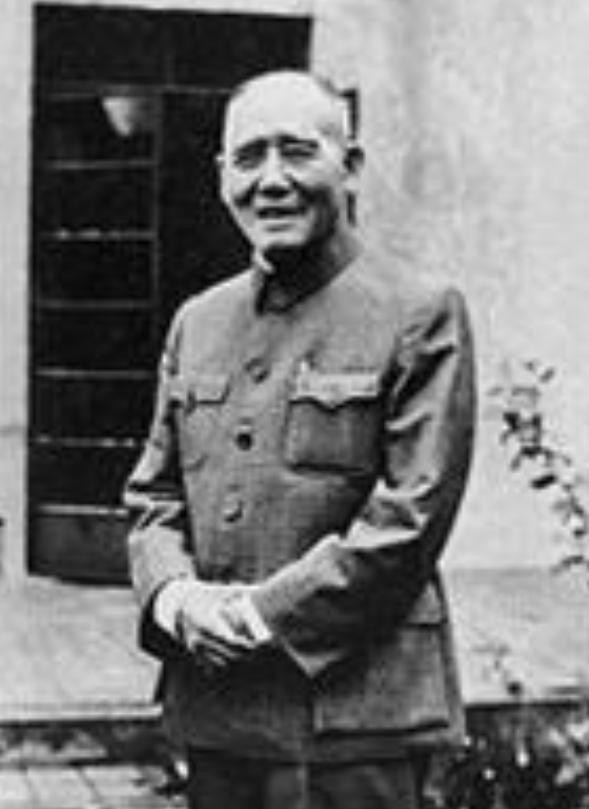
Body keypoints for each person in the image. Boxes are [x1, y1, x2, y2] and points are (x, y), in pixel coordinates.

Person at [124, 69, 476, 809]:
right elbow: (154, 496)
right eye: (249, 157)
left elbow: (409, 518)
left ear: (350, 167)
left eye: (297, 151)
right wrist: (177, 599)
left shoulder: (419, 312)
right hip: (218, 714)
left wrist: (257, 616)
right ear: (222, 177)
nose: (272, 181)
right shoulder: (198, 321)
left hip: (356, 722)